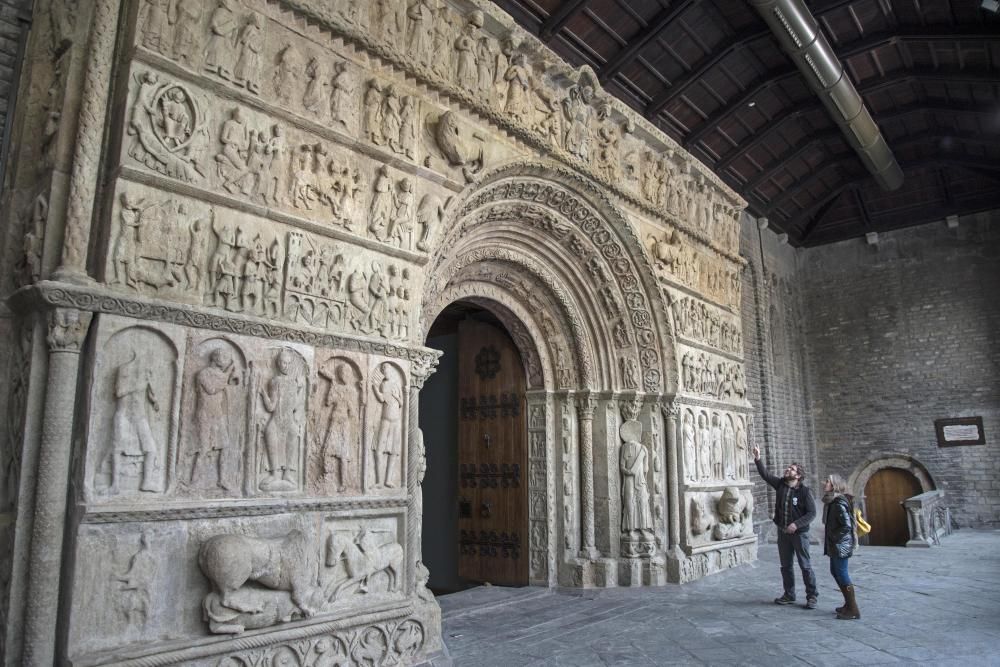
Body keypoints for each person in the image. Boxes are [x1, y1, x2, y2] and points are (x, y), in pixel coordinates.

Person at [752, 444, 818, 609]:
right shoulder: (781, 484)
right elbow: (766, 475)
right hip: (783, 533)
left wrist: (796, 524)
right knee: (786, 565)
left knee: (805, 565)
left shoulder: (804, 492)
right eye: (788, 468)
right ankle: (789, 594)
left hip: (799, 534)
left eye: (792, 469)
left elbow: (811, 513)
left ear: (798, 475)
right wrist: (758, 458)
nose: (788, 470)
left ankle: (812, 596)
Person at [823, 473, 861, 620]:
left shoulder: (838, 503)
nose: (824, 484)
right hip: (837, 544)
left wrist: (833, 537)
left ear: (834, 485)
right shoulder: (833, 502)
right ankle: (848, 604)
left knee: (842, 573)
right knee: (835, 571)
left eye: (827, 481)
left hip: (841, 544)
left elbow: (846, 525)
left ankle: (853, 609)